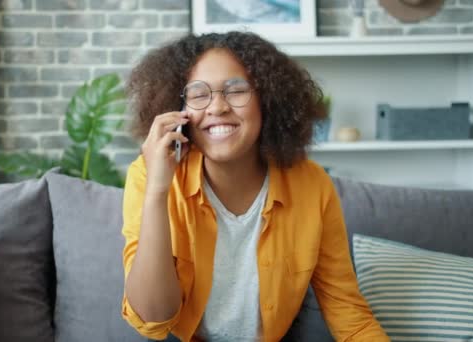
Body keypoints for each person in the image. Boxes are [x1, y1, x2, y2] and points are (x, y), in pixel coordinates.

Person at [121, 31, 389, 342]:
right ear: (178, 110)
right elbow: (151, 321)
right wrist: (157, 191)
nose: (217, 107)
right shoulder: (148, 175)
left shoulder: (312, 185)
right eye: (198, 94)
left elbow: (350, 318)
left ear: (267, 101)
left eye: (236, 91)